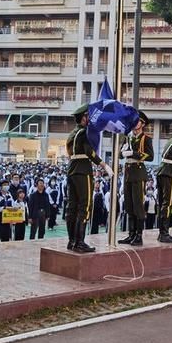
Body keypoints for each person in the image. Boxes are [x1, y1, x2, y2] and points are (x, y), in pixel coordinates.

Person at [66, 104, 113, 252]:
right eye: (87, 117)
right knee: (84, 207)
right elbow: (89, 152)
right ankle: (79, 242)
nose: (89, 119)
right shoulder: (83, 133)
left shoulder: (72, 134)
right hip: (82, 170)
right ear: (83, 118)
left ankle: (72, 241)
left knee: (72, 207)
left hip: (72, 169)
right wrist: (104, 165)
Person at [118, 110, 154, 246]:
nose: (134, 123)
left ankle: (139, 236)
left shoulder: (146, 139)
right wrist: (122, 151)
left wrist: (134, 153)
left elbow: (150, 156)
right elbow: (121, 155)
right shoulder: (128, 138)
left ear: (142, 124)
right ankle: (131, 234)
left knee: (138, 206)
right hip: (127, 172)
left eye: (137, 121)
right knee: (129, 206)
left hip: (139, 172)